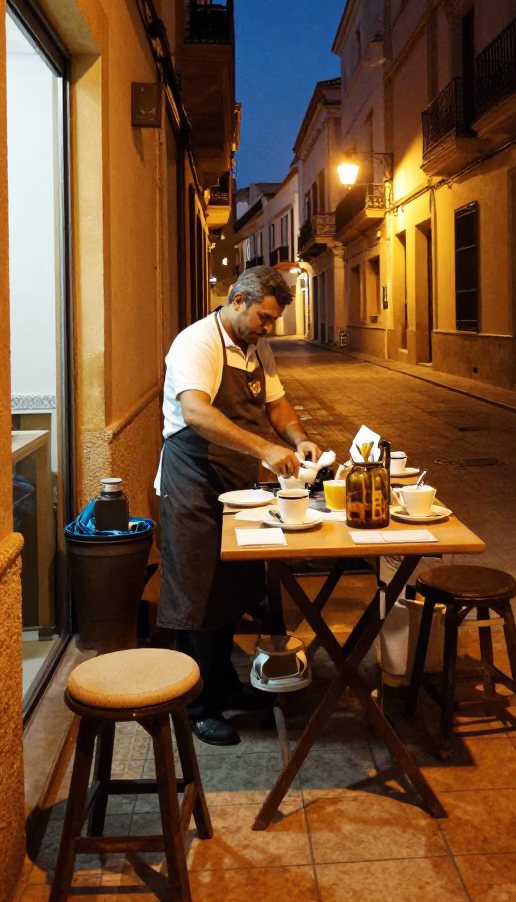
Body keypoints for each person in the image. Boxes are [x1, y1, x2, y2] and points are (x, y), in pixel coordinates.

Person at [154, 266, 321, 745]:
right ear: (237, 299)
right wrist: (265, 450)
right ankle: (197, 706)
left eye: (272, 321)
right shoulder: (197, 343)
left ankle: (224, 684)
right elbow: (195, 412)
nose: (267, 328)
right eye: (263, 318)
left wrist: (298, 438)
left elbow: (277, 404)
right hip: (193, 483)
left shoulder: (256, 348)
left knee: (229, 590)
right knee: (197, 594)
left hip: (235, 481)